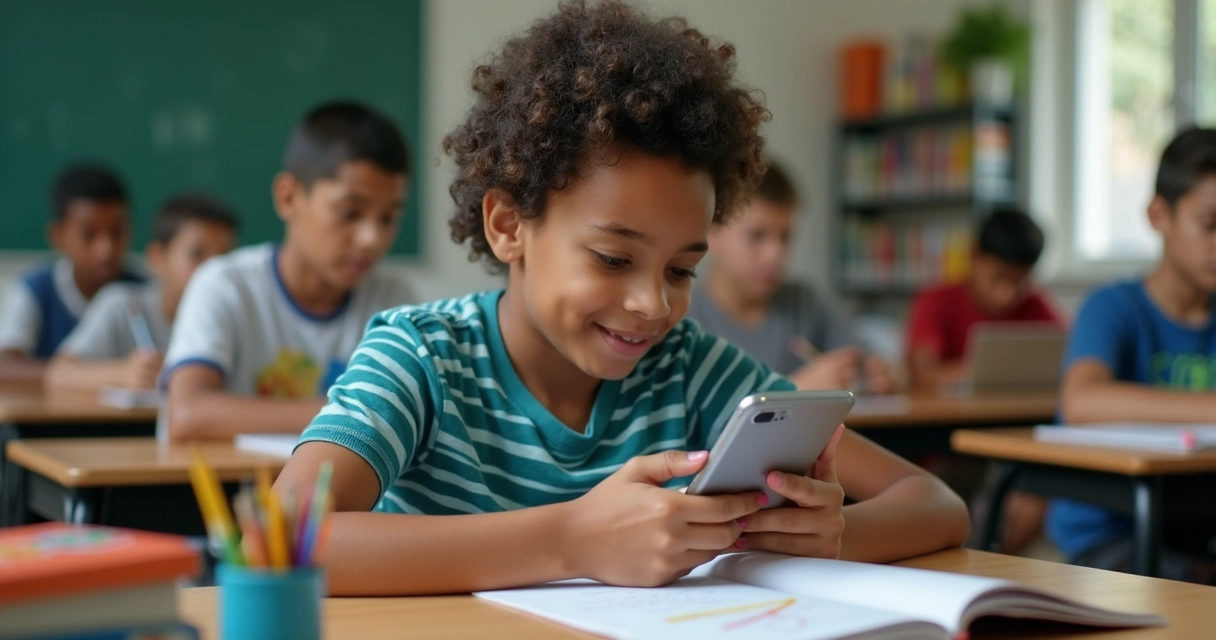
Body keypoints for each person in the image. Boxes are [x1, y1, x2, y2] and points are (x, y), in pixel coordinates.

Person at [274, 0, 970, 596]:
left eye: (680, 270)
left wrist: (826, 536)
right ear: (509, 225)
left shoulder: (692, 369)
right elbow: (288, 536)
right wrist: (570, 541)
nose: (651, 305)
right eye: (613, 258)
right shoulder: (420, 356)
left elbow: (936, 503)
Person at [161, 101, 415, 441]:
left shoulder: (391, 301)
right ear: (289, 198)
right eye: (350, 213)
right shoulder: (224, 285)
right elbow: (189, 415)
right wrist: (353, 410)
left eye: (388, 218)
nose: (372, 239)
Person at [1051, 128, 1216, 583]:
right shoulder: (1113, 308)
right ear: (1158, 214)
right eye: (1209, 224)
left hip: (1197, 529)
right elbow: (1081, 401)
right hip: (1113, 534)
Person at [689, 160, 893, 393]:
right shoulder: (685, 317)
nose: (774, 255)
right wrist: (792, 390)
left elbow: (862, 363)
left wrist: (877, 375)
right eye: (756, 236)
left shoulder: (806, 303)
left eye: (785, 237)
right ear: (712, 233)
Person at [46, 193, 238, 392]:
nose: (212, 270)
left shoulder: (236, 317)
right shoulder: (121, 305)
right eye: (196, 254)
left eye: (225, 258)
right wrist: (122, 373)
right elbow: (58, 373)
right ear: (158, 257)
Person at [0, 164, 142, 384]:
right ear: (58, 236)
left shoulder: (142, 291)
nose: (106, 248)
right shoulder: (36, 290)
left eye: (116, 232)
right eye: (88, 235)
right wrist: (93, 375)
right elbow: (4, 367)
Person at [906, 208, 1062, 391]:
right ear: (974, 255)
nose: (1008, 294)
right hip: (952, 417)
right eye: (999, 277)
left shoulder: (1035, 303)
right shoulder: (935, 301)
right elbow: (921, 373)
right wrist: (998, 373)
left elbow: (1072, 359)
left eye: (1020, 282)